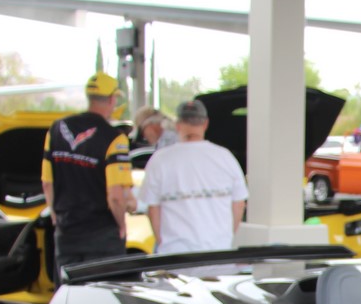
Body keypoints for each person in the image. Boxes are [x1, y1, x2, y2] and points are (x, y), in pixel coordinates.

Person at [42, 71, 134, 273]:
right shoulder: (114, 139)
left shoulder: (57, 129)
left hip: (67, 231)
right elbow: (116, 197)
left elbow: (47, 183)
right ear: (111, 99)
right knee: (102, 298)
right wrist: (121, 225)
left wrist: (56, 216)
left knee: (69, 299)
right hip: (102, 235)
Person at [135, 98, 248, 254]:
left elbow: (153, 209)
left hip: (174, 256)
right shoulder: (226, 158)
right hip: (217, 253)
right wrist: (225, 238)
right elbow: (239, 204)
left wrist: (163, 243)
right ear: (205, 123)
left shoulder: (160, 160)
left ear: (178, 125)